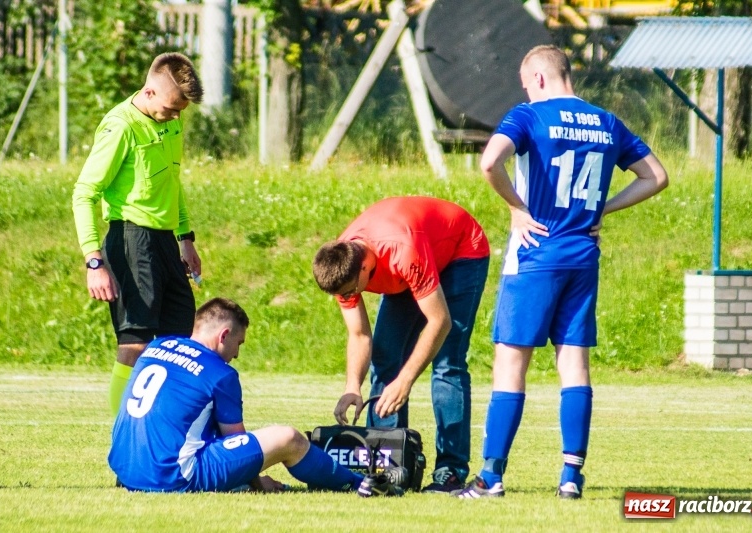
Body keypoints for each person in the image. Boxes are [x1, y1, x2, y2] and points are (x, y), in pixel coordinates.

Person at [453, 45, 668, 499]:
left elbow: (490, 161)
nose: (526, 92)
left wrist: (515, 207)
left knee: (511, 362)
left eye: (526, 84)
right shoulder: (607, 121)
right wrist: (603, 209)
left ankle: (490, 477)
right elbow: (656, 177)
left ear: (539, 79)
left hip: (535, 253)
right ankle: (571, 477)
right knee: (574, 363)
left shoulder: (529, 115)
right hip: (582, 255)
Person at [109, 297, 406, 496]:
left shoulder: (157, 347)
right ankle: (362, 484)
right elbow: (236, 444)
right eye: (239, 343)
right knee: (287, 438)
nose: (237, 354)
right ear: (224, 335)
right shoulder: (220, 373)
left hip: (125, 467)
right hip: (170, 476)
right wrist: (256, 481)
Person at [312, 196, 490, 493]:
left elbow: (440, 321)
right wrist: (352, 387)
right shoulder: (343, 262)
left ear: (366, 266)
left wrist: (405, 380)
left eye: (352, 290)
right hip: (412, 258)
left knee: (448, 363)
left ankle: (450, 470)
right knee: (385, 358)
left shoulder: (401, 253)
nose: (350, 295)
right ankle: (387, 466)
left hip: (460, 250)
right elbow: (359, 335)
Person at [72, 52, 204, 415]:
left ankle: (166, 433)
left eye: (180, 111)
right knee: (136, 344)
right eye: (170, 108)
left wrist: (185, 238)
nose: (175, 116)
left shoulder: (171, 123)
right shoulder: (121, 127)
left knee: (180, 343)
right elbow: (84, 193)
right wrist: (94, 260)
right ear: (148, 93)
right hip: (130, 240)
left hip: (164, 242)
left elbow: (172, 181)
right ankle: (125, 444)